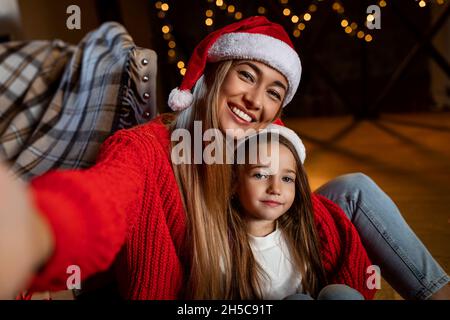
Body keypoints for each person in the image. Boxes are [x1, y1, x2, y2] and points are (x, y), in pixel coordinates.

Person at [0, 16, 448, 300]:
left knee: (354, 189)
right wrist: (38, 230)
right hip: (224, 280)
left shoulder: (264, 149)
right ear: (214, 75)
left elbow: (292, 212)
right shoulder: (147, 148)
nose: (255, 100)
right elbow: (105, 197)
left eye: (273, 92)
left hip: (273, 255)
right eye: (246, 76)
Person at [228, 124, 370, 300]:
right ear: (234, 182)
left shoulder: (300, 234)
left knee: (339, 293)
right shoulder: (222, 246)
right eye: (260, 175)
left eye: (287, 178)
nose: (276, 188)